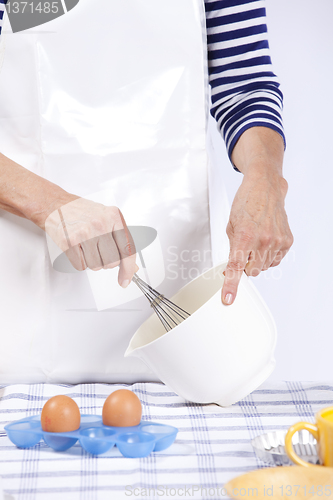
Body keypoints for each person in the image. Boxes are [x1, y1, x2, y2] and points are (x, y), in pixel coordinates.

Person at [0, 0, 293, 384]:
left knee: (202, 382)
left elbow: (244, 84)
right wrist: (50, 205)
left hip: (182, 268)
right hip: (30, 264)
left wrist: (266, 179)